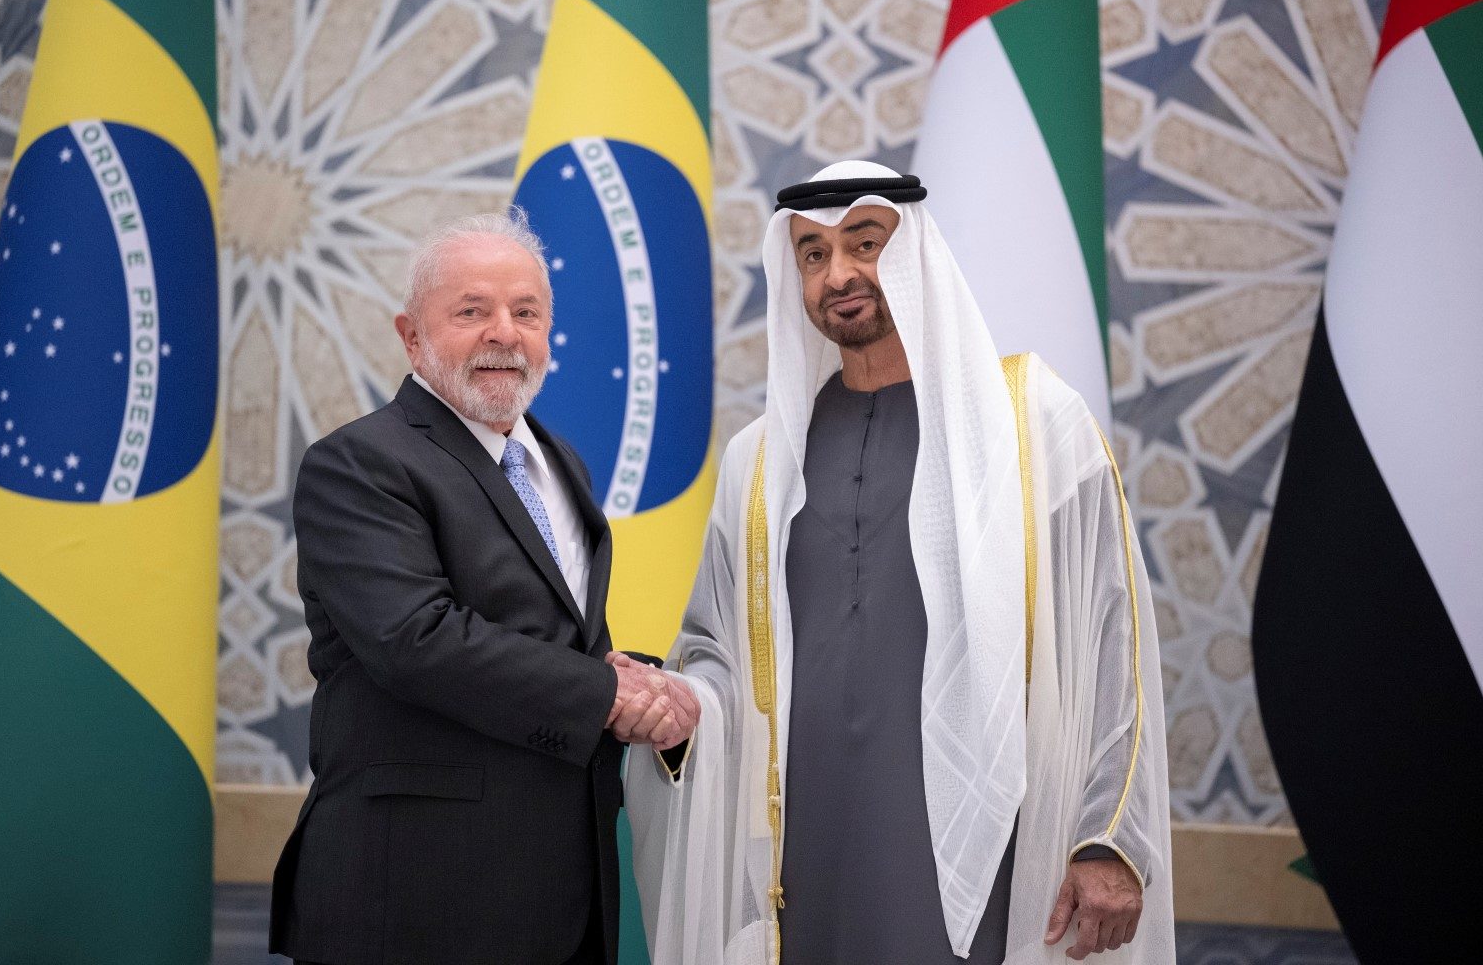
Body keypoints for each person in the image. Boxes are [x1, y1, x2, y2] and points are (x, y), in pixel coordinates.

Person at [625, 163, 1175, 963]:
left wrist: (1111, 836)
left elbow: (1112, 641)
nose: (838, 273)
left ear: (915, 252)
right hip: (804, 856)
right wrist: (676, 700)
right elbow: (715, 652)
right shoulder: (759, 464)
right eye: (812, 254)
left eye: (865, 243)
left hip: (983, 848)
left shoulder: (1031, 425)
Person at [269, 210, 699, 965]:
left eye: (526, 312)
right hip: (412, 897)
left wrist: (635, 678)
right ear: (411, 336)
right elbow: (415, 639)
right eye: (472, 311)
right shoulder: (360, 464)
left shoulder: (561, 463)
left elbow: (557, 645)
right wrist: (609, 695)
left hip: (558, 893)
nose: (505, 332)